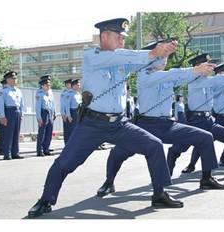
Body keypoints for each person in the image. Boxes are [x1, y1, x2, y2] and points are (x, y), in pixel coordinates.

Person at [28, 18, 181, 218]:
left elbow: (145, 64)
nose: (122, 41)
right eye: (118, 37)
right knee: (65, 163)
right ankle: (45, 200)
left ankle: (160, 193)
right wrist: (153, 52)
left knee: (154, 145)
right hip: (93, 124)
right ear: (104, 36)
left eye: (123, 38)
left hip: (119, 124)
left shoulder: (120, 62)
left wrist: (163, 53)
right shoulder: (92, 55)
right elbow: (128, 56)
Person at [98, 47, 224, 200]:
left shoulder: (168, 76)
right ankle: (109, 182)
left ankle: (206, 179)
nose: (164, 60)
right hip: (146, 125)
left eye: (166, 57)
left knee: (205, 137)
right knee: (117, 152)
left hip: (167, 125)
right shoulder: (145, 74)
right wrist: (195, 70)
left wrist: (201, 71)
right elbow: (174, 75)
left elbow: (187, 78)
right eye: (162, 56)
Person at [168, 56, 224, 177]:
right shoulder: (195, 80)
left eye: (211, 66)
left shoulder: (209, 80)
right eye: (208, 66)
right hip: (195, 120)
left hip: (208, 120)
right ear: (198, 67)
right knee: (180, 147)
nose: (211, 68)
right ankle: (168, 165)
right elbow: (218, 81)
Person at [0, 71, 24, 160]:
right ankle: (7, 153)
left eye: (15, 78)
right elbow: (0, 105)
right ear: (7, 80)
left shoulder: (18, 91)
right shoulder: (3, 91)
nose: (15, 80)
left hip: (17, 111)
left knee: (16, 133)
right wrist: (2, 116)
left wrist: (21, 114)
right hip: (8, 111)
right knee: (8, 133)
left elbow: (21, 104)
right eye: (13, 78)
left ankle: (15, 152)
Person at [35, 75, 56, 157]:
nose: (49, 86)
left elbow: (53, 103)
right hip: (43, 113)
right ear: (43, 85)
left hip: (50, 112)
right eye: (47, 85)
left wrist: (54, 112)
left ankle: (46, 149)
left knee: (49, 132)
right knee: (42, 132)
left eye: (49, 85)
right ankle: (39, 150)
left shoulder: (50, 92)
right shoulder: (39, 94)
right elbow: (37, 107)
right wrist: (39, 117)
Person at [60, 79, 72, 144]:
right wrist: (63, 114)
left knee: (72, 130)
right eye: (68, 84)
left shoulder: (73, 92)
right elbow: (62, 104)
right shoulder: (64, 93)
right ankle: (66, 143)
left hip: (73, 113)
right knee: (67, 130)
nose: (69, 85)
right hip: (66, 114)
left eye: (70, 84)